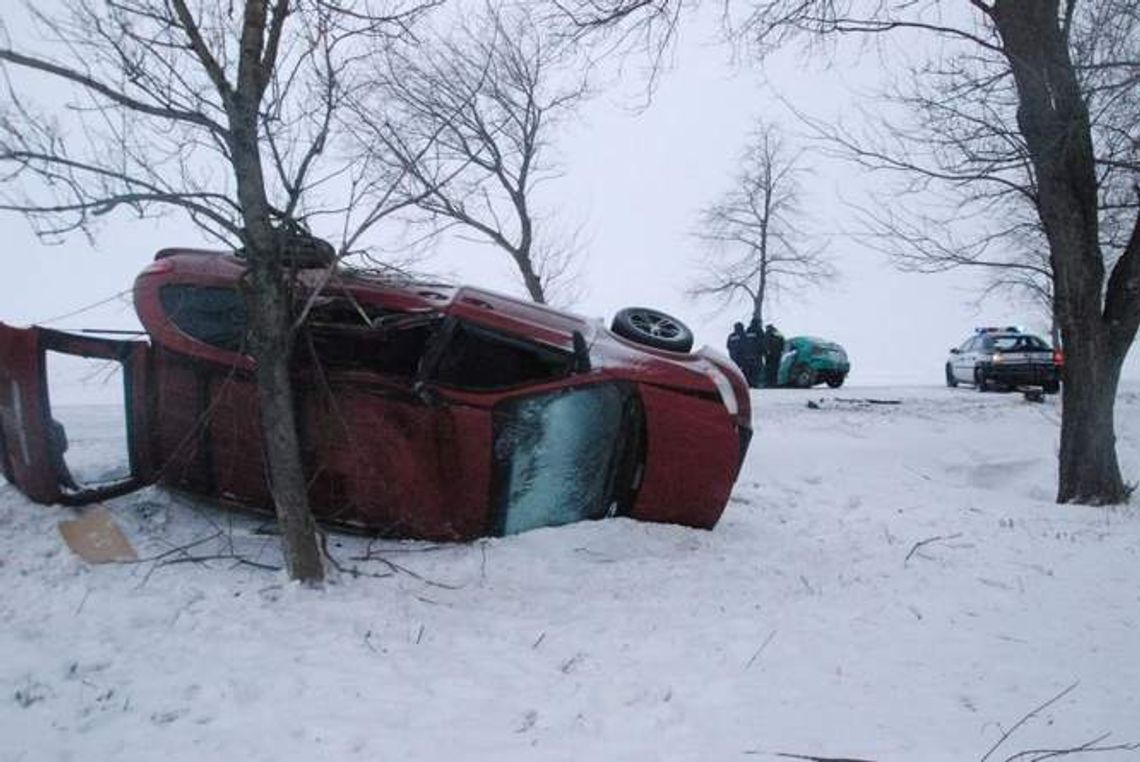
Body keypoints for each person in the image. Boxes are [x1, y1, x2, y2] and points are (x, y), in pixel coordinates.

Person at [742, 318, 765, 388]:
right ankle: (756, 383)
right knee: (757, 369)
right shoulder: (759, 330)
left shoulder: (747, 331)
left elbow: (744, 342)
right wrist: (763, 352)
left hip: (747, 354)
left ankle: (749, 383)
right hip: (757, 354)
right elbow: (762, 342)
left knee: (749, 370)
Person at [764, 323, 785, 388]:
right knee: (776, 369)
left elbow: (766, 343)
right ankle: (775, 382)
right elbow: (783, 343)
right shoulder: (778, 333)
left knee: (769, 369)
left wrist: (767, 352)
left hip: (770, 355)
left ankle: (769, 383)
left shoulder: (768, 333)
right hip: (778, 354)